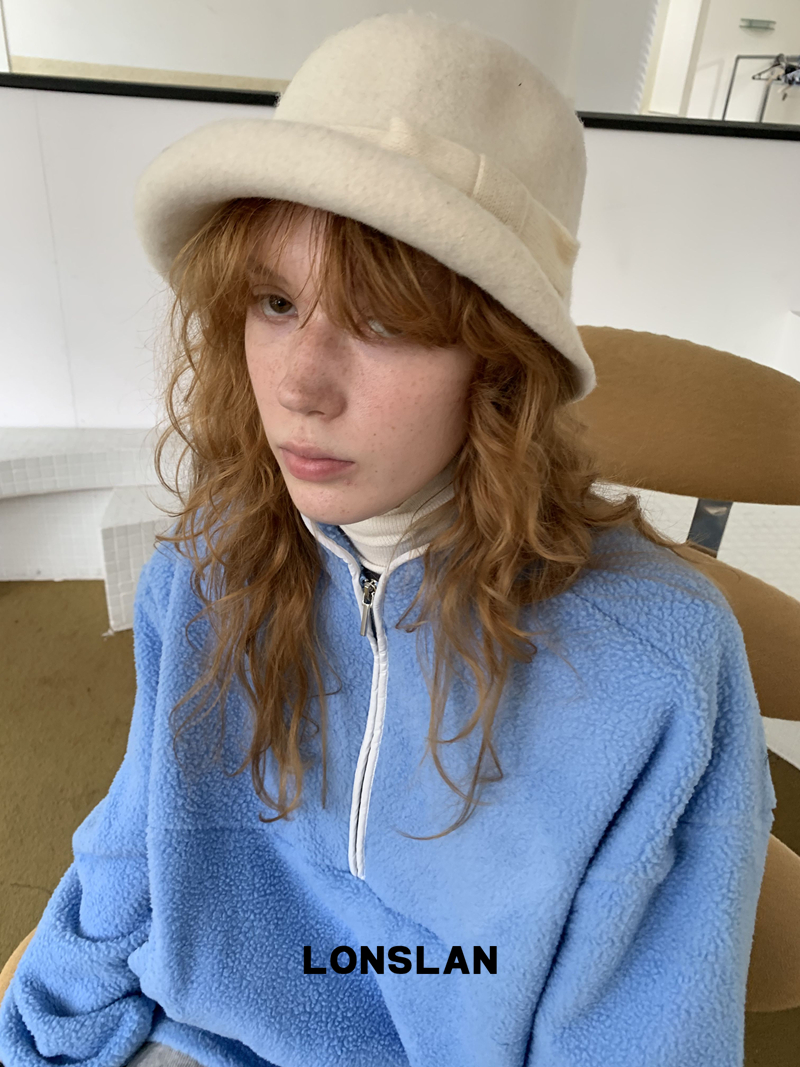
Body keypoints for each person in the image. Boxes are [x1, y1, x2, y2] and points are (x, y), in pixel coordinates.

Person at [0, 11, 776, 1067]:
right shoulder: (205, 563)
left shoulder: (656, 666)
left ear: (499, 363)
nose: (298, 384)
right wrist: (51, 1035)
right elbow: (134, 844)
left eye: (385, 320)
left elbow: (642, 1031)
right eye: (276, 300)